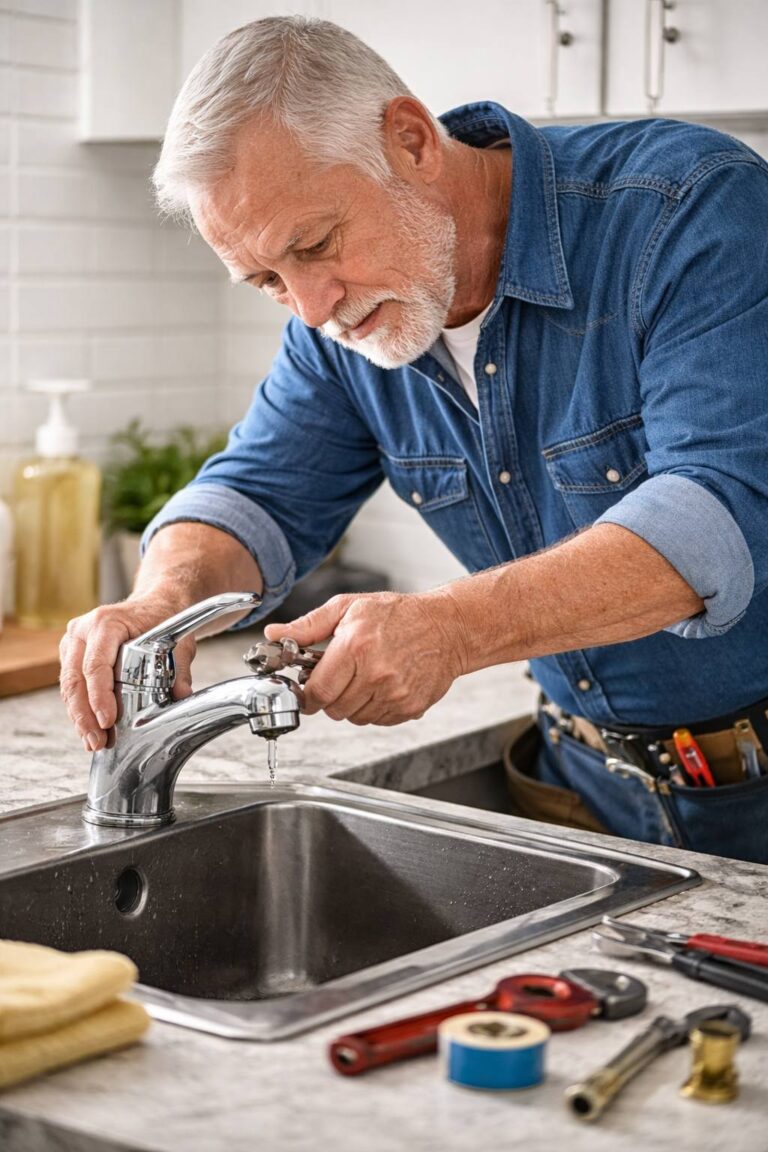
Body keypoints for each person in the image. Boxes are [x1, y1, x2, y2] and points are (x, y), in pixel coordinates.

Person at [60, 17, 768, 862]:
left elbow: (722, 510)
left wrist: (450, 629)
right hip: (581, 793)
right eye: (267, 281)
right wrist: (160, 603)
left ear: (409, 140)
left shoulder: (687, 208)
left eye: (315, 245)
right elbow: (255, 492)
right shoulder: (342, 325)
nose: (313, 306)